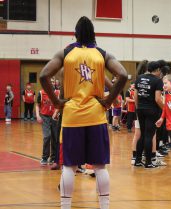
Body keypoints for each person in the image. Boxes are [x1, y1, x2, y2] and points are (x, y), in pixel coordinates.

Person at [39, 16, 127, 209]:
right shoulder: (102, 54)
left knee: (69, 166)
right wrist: (108, 101)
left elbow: (43, 75)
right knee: (99, 167)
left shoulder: (66, 53)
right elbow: (122, 75)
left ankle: (65, 206)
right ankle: (104, 206)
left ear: (75, 34)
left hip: (72, 115)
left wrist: (56, 102)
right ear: (94, 34)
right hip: (96, 115)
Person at [134, 61, 163, 168]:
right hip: (152, 111)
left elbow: (135, 96)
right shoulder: (158, 81)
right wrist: (165, 110)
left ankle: (137, 160)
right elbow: (158, 99)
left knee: (142, 134)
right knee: (149, 136)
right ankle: (148, 162)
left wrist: (138, 108)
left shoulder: (139, 78)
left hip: (140, 109)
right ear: (157, 70)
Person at [36, 78, 60, 166]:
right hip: (45, 117)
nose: (52, 83)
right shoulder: (41, 93)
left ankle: (53, 158)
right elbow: (38, 105)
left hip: (54, 117)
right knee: (47, 136)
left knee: (55, 137)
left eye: (53, 81)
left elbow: (59, 105)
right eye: (50, 81)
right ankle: (44, 157)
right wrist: (38, 115)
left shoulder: (58, 93)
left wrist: (56, 112)